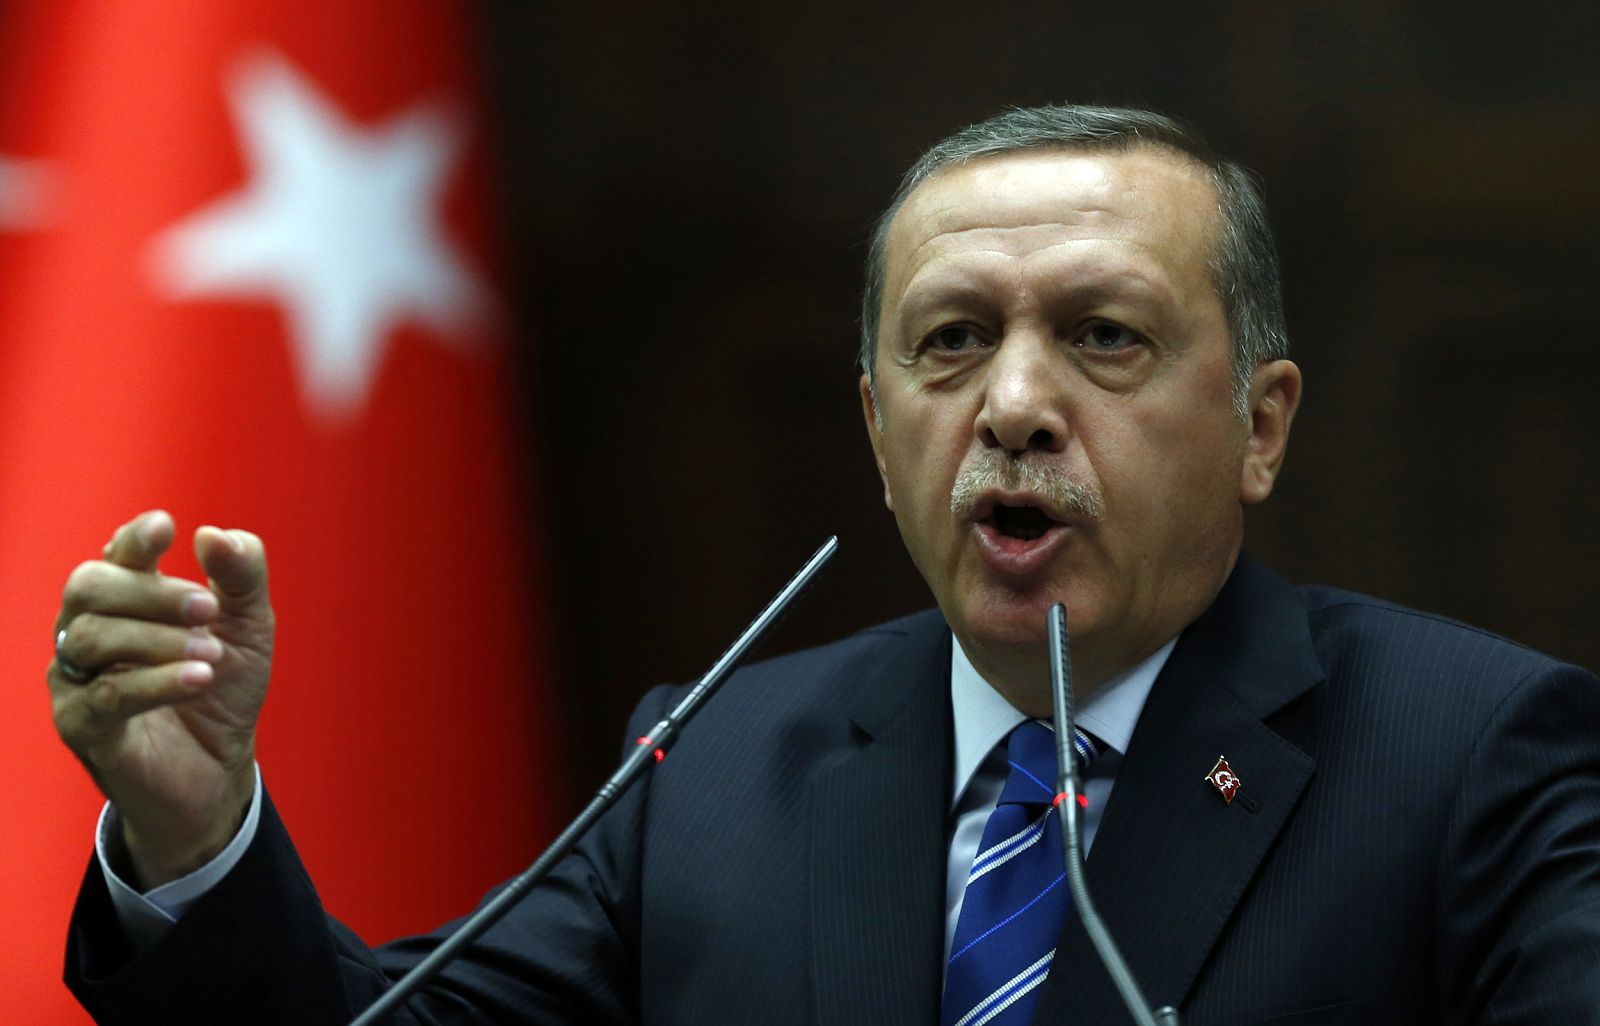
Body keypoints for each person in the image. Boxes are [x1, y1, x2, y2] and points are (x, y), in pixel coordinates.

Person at [52, 105, 1600, 1024]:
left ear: (1261, 425)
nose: (1010, 405)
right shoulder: (719, 760)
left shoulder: (1478, 756)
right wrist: (195, 832)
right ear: (876, 423)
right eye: (951, 343)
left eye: (1102, 336)